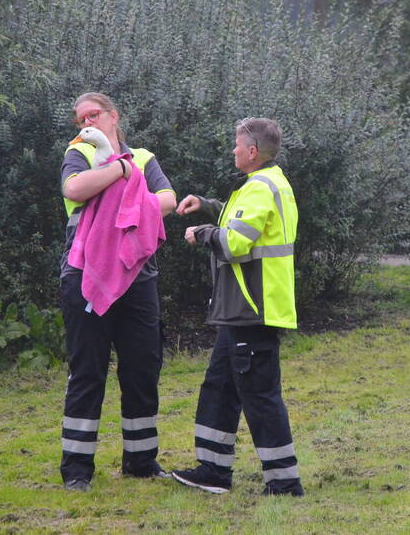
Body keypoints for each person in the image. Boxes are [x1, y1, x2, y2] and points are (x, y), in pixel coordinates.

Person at [171, 118, 305, 497]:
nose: (232, 150)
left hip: (252, 309)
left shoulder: (261, 187)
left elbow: (234, 244)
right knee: (219, 386)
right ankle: (213, 470)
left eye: (236, 144)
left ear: (251, 151)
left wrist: (202, 233)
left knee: (259, 394)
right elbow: (244, 222)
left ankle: (284, 482)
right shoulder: (265, 183)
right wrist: (209, 206)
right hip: (242, 310)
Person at [58, 92, 177, 492]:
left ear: (113, 115)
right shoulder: (80, 151)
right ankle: (76, 469)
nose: (85, 123)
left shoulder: (143, 157)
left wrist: (125, 180)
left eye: (92, 115)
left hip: (139, 277)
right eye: (79, 119)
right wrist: (120, 173)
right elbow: (75, 189)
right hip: (85, 275)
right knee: (88, 370)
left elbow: (167, 201)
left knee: (142, 368)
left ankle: (141, 461)